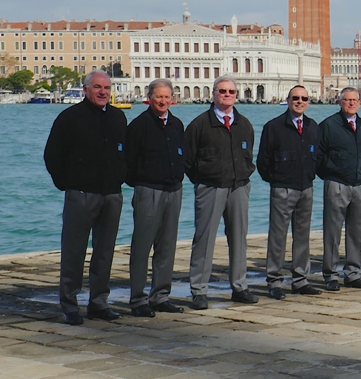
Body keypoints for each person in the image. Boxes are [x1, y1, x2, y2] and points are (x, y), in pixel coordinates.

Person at [44, 71, 127, 325]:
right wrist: (66, 184)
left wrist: (121, 177)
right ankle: (69, 305)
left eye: (106, 88)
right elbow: (52, 155)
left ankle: (99, 303)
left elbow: (126, 152)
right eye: (97, 87)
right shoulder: (69, 118)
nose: (103, 92)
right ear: (85, 90)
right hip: (80, 194)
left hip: (112, 194)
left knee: (105, 252)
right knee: (74, 252)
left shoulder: (118, 117)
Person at [185, 76, 256, 309]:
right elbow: (188, 159)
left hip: (239, 187)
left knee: (239, 239)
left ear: (236, 95)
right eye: (222, 91)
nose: (227, 95)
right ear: (214, 93)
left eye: (231, 92)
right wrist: (203, 179)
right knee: (204, 239)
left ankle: (240, 286)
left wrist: (245, 176)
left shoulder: (244, 124)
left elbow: (249, 154)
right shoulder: (199, 124)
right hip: (210, 187)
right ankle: (199, 290)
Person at [124, 78, 186, 317]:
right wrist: (141, 183)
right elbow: (128, 162)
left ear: (172, 99)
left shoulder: (177, 125)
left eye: (166, 97)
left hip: (174, 190)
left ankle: (160, 295)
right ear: (149, 98)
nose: (162, 101)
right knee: (142, 246)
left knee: (167, 246)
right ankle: (138, 299)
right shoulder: (139, 126)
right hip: (148, 191)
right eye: (158, 96)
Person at [257, 85, 322, 299]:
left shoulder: (313, 127)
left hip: (306, 188)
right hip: (283, 188)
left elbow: (317, 157)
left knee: (302, 236)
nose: (300, 101)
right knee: (278, 236)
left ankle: (300, 279)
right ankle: (274, 280)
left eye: (304, 98)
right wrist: (277, 181)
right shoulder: (273, 127)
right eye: (296, 98)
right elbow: (263, 162)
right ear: (288, 100)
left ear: (308, 102)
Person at [317, 87, 361, 290]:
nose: (351, 103)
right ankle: (330, 274)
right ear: (340, 102)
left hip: (359, 184)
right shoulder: (329, 125)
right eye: (347, 100)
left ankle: (353, 272)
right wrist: (330, 174)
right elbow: (318, 155)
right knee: (332, 231)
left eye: (354, 100)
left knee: (355, 231)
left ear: (359, 102)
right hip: (336, 184)